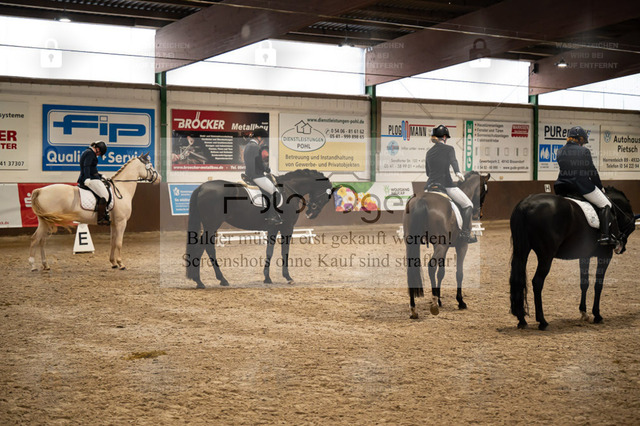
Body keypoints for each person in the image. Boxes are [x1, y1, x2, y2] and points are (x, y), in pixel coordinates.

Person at [554, 126, 619, 247]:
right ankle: (604, 235)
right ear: (579, 139)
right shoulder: (584, 151)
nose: (583, 144)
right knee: (606, 204)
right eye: (583, 141)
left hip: (562, 186)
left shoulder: (560, 151)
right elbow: (591, 171)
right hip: (580, 186)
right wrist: (600, 187)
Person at [424, 125, 476, 243]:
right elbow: (453, 161)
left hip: (429, 187)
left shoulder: (429, 152)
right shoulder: (449, 149)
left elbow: (427, 173)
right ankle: (465, 234)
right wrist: (457, 172)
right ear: (444, 137)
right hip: (446, 185)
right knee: (468, 204)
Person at [243, 128, 282, 225]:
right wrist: (268, 170)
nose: (263, 140)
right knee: (275, 192)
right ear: (259, 137)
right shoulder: (255, 147)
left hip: (249, 174)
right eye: (263, 138)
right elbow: (259, 163)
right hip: (257, 176)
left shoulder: (248, 146)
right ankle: (271, 216)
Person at [78, 141, 110, 226]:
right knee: (105, 195)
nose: (98, 155)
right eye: (99, 153)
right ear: (98, 149)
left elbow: (92, 169)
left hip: (91, 177)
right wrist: (87, 178)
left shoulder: (89, 152)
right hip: (89, 179)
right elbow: (86, 166)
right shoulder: (90, 153)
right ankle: (100, 218)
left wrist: (100, 175)